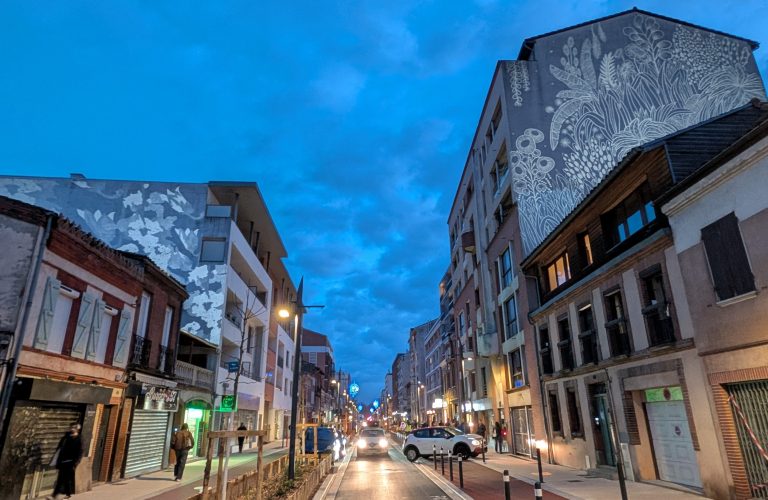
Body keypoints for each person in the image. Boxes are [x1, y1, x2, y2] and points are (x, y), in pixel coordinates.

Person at [51, 423, 83, 499]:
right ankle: (66, 494)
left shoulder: (79, 439)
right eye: (71, 427)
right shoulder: (65, 438)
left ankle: (55, 495)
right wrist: (57, 460)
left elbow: (80, 452)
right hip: (62, 461)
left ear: (77, 429)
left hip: (70, 462)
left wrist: (75, 463)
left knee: (63, 479)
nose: (71, 429)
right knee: (63, 479)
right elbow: (59, 449)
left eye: (74, 428)